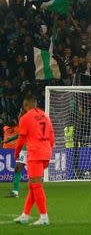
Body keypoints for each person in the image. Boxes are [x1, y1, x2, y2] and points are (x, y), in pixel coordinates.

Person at [13, 94, 54, 226]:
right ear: (35, 104)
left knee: (36, 184)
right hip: (46, 151)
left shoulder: (25, 118)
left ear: (25, 105)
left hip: (35, 152)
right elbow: (52, 135)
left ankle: (44, 217)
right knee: (32, 184)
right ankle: (25, 215)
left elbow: (21, 139)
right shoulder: (45, 115)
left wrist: (17, 152)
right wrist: (48, 150)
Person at [3, 115, 25, 198]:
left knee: (34, 172)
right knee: (17, 168)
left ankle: (37, 191)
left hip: (31, 150)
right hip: (23, 151)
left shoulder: (30, 124)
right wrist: (7, 141)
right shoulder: (22, 127)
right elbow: (18, 135)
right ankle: (15, 192)